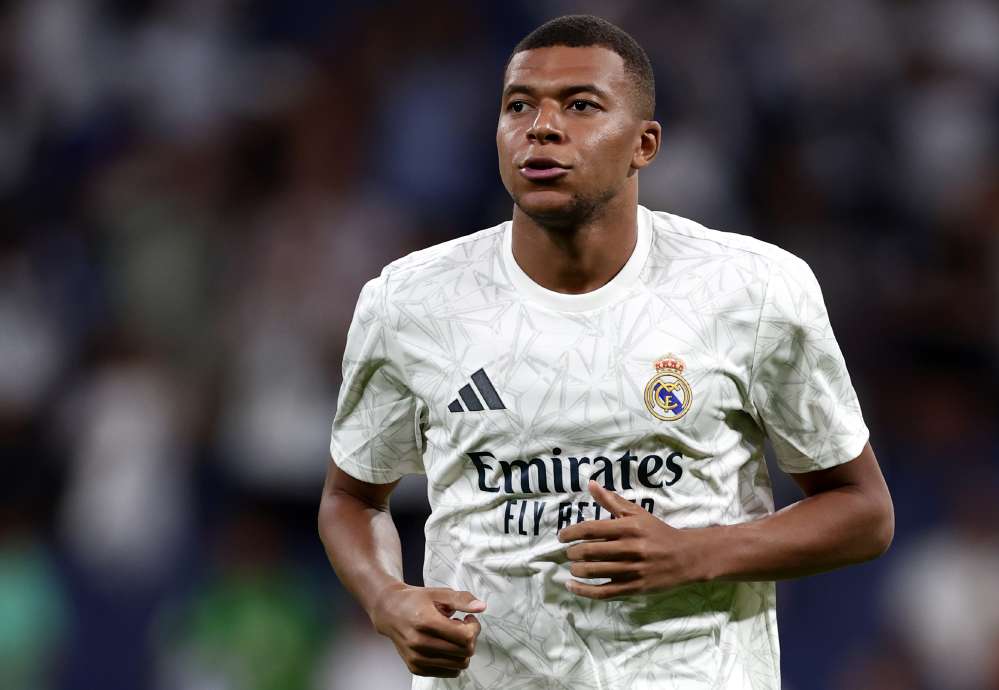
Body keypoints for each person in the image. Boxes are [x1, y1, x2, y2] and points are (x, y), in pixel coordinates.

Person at [318, 14, 893, 690]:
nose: (542, 126)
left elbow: (864, 512)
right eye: (519, 105)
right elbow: (351, 499)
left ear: (643, 144)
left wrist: (697, 554)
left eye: (581, 105)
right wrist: (389, 600)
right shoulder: (411, 301)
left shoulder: (753, 289)